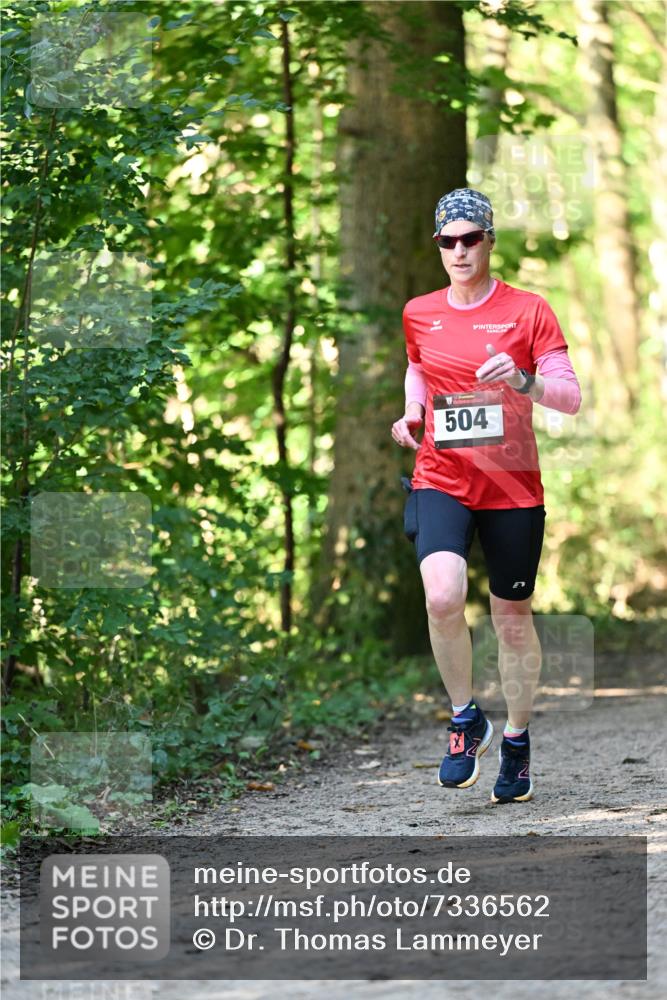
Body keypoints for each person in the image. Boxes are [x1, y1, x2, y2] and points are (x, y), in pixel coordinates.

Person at [392, 188, 581, 804]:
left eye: (471, 238)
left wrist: (525, 380)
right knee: (442, 595)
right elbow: (418, 366)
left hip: (511, 486)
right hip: (441, 477)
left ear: (489, 241)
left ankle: (517, 742)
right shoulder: (419, 311)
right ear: (438, 247)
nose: (460, 250)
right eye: (448, 241)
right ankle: (465, 718)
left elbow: (570, 396)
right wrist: (413, 410)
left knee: (512, 619)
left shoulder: (529, 310)